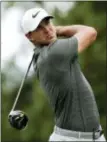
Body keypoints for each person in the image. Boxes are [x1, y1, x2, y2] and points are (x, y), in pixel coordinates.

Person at [21, 7, 106, 141]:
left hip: (92, 137)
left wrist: (53, 30)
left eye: (48, 23)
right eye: (39, 28)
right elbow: (90, 32)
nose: (47, 29)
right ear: (29, 36)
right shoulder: (53, 53)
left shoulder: (42, 55)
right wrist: (59, 29)